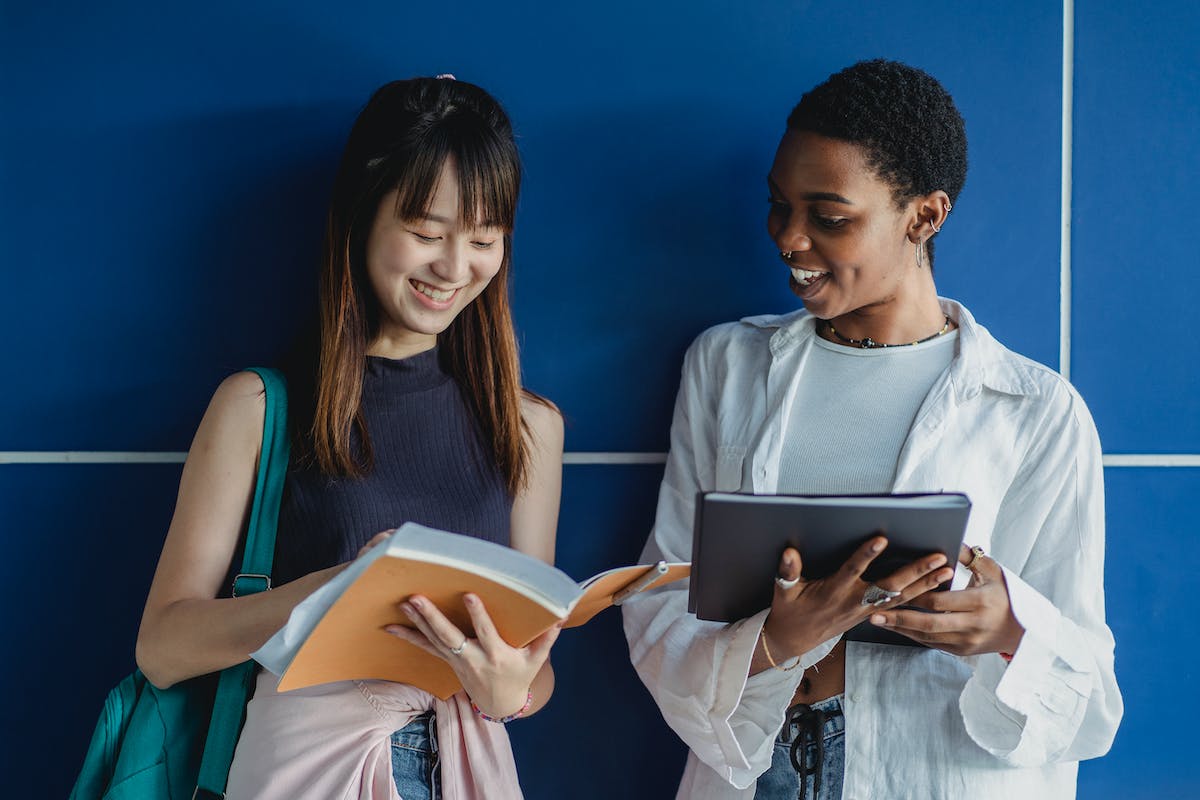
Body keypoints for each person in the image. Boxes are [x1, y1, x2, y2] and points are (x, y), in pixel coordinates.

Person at [622, 59, 1122, 799]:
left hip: (932, 771)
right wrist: (775, 640)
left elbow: (1091, 700)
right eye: (778, 205)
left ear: (925, 216)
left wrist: (1009, 629)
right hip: (757, 772)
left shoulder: (1033, 409)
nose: (789, 239)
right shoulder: (726, 366)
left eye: (829, 217)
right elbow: (658, 599)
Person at [135, 76, 564, 800]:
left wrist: (514, 690)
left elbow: (534, 667)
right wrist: (331, 592)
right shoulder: (258, 407)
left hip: (470, 771)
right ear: (363, 217)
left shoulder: (529, 426)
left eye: (484, 240)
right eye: (427, 234)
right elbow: (163, 649)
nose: (455, 269)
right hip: (304, 771)